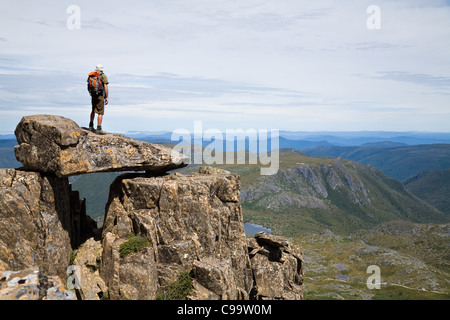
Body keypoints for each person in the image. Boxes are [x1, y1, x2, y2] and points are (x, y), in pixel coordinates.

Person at [87, 64, 109, 133]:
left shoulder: (91, 76)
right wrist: (107, 97)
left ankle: (91, 125)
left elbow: (88, 85)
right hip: (100, 95)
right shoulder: (103, 76)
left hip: (93, 95)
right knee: (100, 112)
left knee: (93, 110)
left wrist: (91, 93)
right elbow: (105, 87)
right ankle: (99, 128)